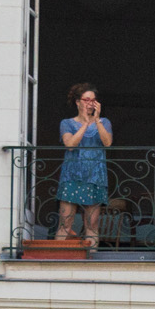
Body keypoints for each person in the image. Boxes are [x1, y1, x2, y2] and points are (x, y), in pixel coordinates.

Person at [57, 83, 112, 245]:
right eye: (86, 100)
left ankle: (91, 261)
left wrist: (97, 121)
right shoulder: (67, 123)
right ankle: (57, 259)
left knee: (92, 224)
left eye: (93, 100)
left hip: (95, 177)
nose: (90, 103)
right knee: (65, 224)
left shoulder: (104, 122)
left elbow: (107, 142)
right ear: (77, 102)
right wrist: (86, 124)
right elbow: (70, 144)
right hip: (71, 176)